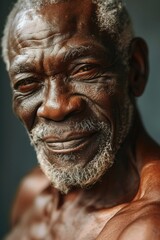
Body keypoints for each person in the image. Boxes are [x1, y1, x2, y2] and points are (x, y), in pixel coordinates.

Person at [2, 0, 160, 239]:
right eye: (27, 83)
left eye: (83, 69)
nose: (55, 108)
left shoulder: (148, 227)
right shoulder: (33, 193)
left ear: (135, 69)